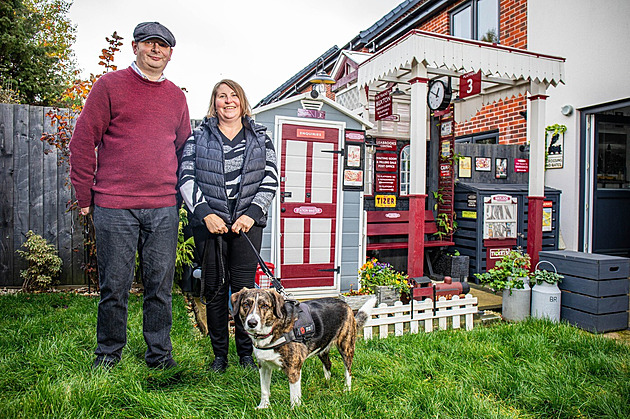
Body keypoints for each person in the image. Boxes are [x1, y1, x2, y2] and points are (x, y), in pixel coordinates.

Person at [69, 22, 191, 369]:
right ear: (135, 46)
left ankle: (159, 356)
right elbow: (82, 142)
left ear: (170, 54)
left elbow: (185, 151)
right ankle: (108, 355)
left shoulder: (175, 97)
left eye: (163, 46)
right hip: (114, 206)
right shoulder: (109, 86)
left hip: (163, 208)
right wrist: (84, 196)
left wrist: (181, 197)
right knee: (115, 287)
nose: (157, 51)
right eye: (150, 44)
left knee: (160, 288)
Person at [179, 79, 278, 372]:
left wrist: (252, 213)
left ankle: (247, 356)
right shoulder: (198, 137)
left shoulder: (261, 136)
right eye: (222, 96)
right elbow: (186, 177)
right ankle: (220, 357)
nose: (228, 101)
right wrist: (205, 213)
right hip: (210, 226)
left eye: (233, 96)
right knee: (215, 289)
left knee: (247, 292)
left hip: (247, 225)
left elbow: (271, 177)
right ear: (214, 102)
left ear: (242, 101)